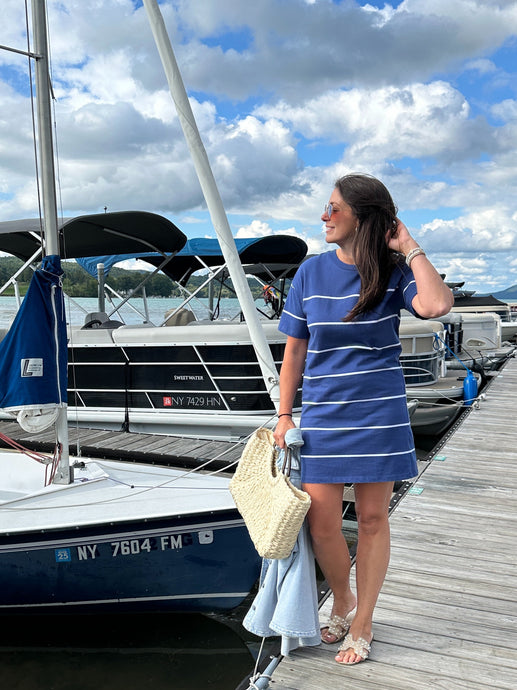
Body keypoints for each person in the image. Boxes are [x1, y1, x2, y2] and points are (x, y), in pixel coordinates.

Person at [273, 173, 453, 666]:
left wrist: (409, 244)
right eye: (325, 208)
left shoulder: (393, 271)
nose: (325, 217)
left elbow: (436, 305)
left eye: (334, 209)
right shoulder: (310, 273)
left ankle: (364, 620)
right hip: (326, 415)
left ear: (364, 218)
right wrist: (284, 414)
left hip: (379, 414)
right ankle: (343, 597)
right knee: (322, 523)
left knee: (372, 520)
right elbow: (294, 352)